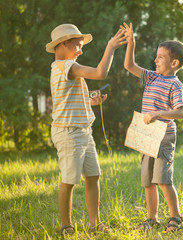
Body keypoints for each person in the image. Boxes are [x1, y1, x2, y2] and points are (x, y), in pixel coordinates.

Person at [46, 23, 126, 235]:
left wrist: (90, 101)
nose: (80, 51)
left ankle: (95, 222)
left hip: (83, 131)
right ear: (63, 44)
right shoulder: (66, 66)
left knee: (93, 176)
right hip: (69, 132)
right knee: (69, 180)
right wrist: (110, 47)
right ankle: (66, 225)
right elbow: (100, 73)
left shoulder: (65, 68)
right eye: (78, 46)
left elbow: (67, 100)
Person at [122, 22, 183, 233]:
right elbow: (129, 66)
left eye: (160, 57)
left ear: (174, 62)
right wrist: (131, 43)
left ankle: (176, 217)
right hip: (146, 135)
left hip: (163, 137)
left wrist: (158, 113)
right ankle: (152, 219)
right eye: (156, 56)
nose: (155, 60)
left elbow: (181, 112)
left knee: (162, 180)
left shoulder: (175, 85)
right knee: (148, 181)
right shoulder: (151, 77)